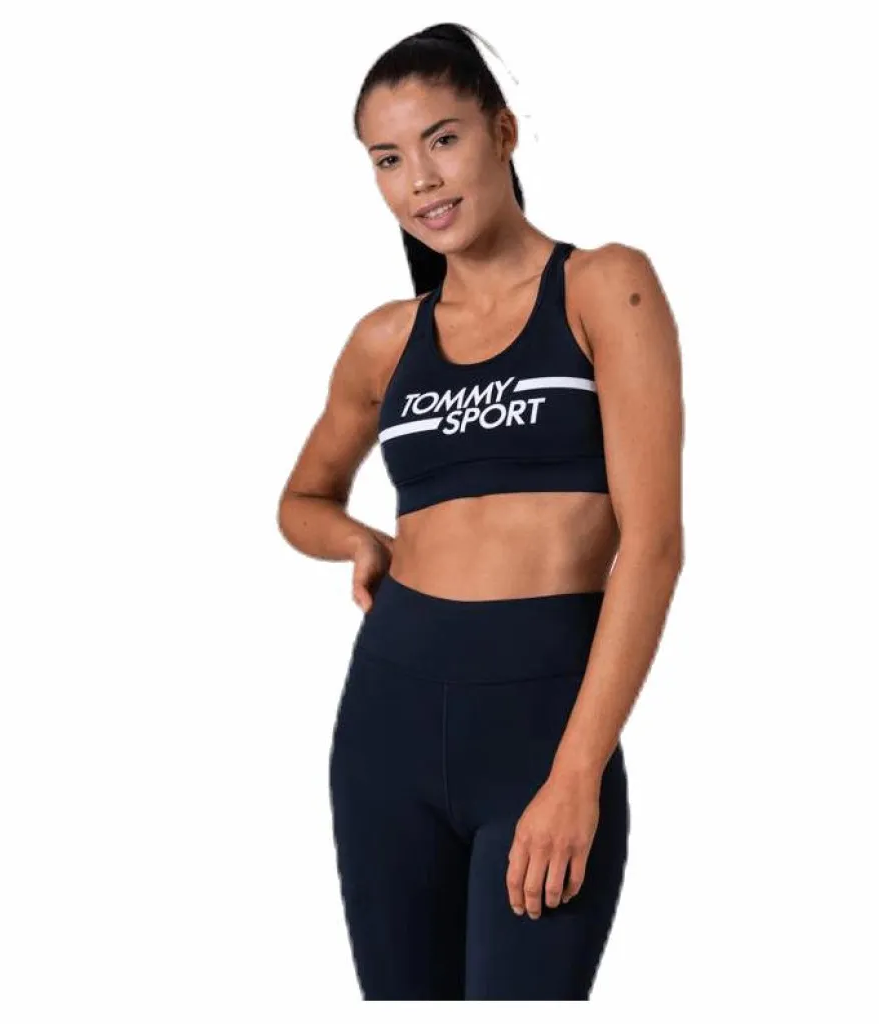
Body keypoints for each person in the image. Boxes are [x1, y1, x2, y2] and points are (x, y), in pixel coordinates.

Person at [277, 21, 684, 1000]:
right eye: (387, 158)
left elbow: (654, 546)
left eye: (443, 139)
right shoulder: (385, 339)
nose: (419, 178)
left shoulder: (603, 286)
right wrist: (359, 541)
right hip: (388, 726)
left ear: (503, 132)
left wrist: (577, 772)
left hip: (544, 730)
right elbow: (301, 500)